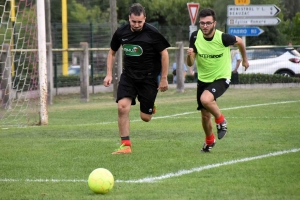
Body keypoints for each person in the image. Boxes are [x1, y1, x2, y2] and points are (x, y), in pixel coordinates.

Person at [103, 3, 170, 154]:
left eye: (140, 22)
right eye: (134, 21)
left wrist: (164, 78)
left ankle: (150, 105)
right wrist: (108, 74)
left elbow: (164, 54)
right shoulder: (121, 32)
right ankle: (126, 145)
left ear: (145, 19)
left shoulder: (152, 33)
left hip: (148, 78)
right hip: (129, 76)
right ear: (129, 19)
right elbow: (112, 52)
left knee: (145, 117)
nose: (137, 24)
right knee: (122, 106)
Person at [186, 8, 249, 152]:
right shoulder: (195, 37)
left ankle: (221, 121)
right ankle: (209, 140)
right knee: (204, 115)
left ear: (214, 23)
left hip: (222, 77)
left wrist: (245, 60)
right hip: (203, 79)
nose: (205, 26)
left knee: (206, 100)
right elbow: (190, 63)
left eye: (208, 23)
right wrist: (189, 55)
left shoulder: (223, 38)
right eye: (202, 23)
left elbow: (240, 42)